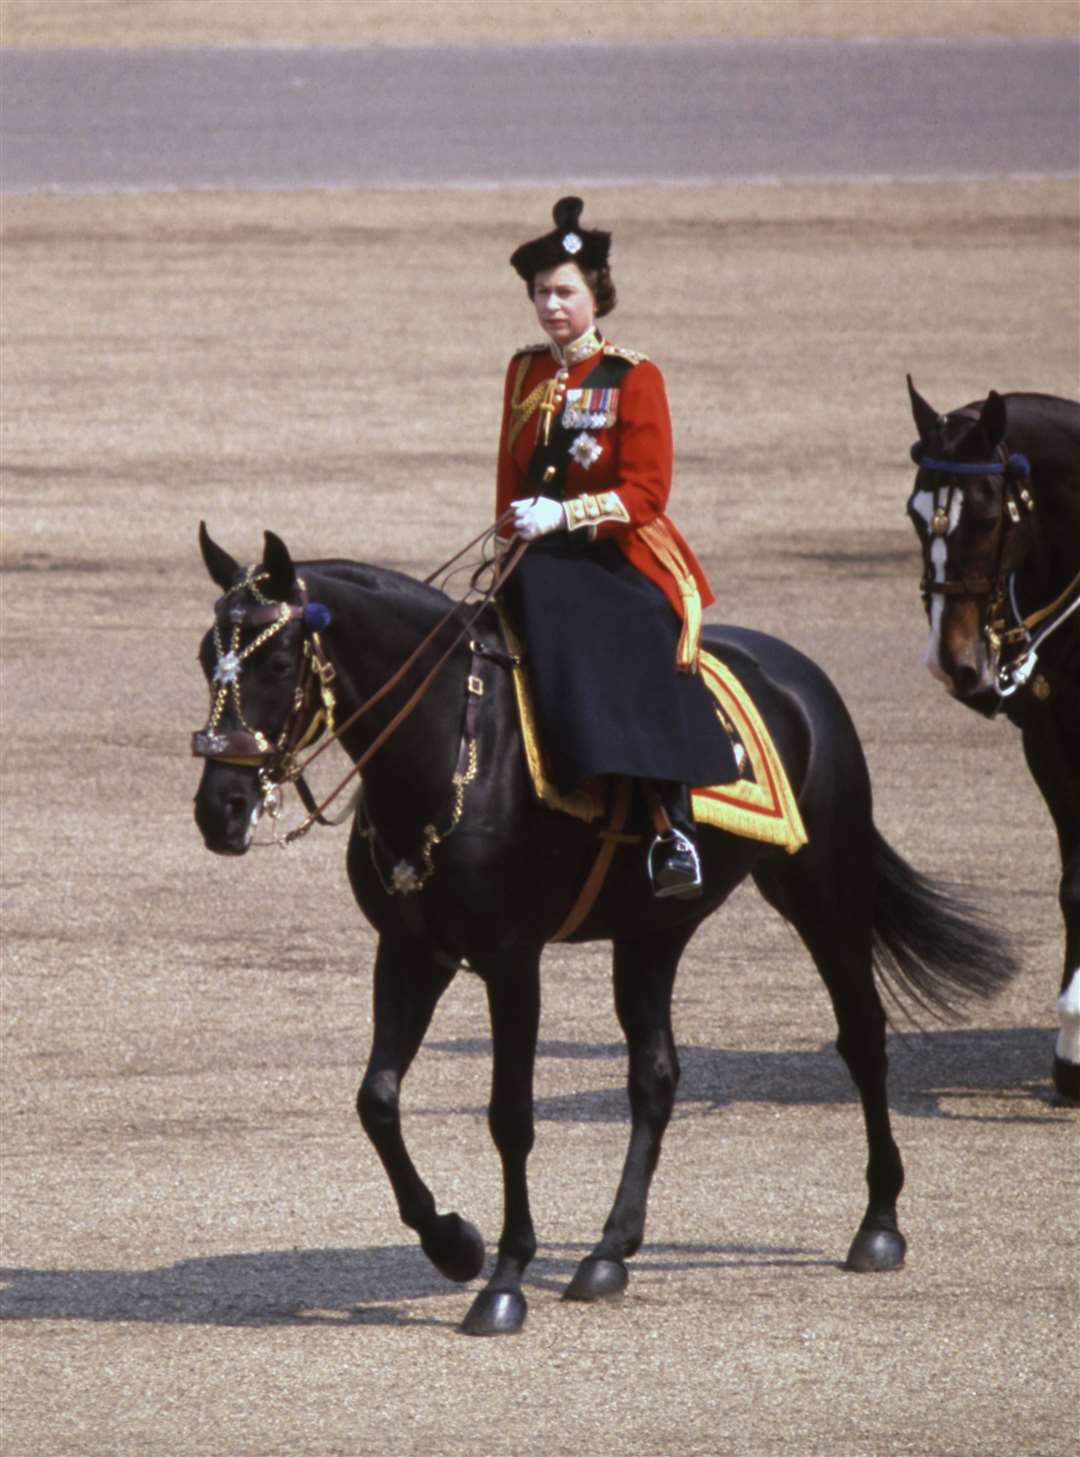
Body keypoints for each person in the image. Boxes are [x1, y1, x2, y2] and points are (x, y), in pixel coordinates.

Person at [495, 196, 736, 898]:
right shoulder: (524, 372)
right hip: (535, 550)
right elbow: (510, 481)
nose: (551, 305)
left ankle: (672, 825)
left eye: (565, 291)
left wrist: (564, 514)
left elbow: (646, 494)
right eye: (541, 293)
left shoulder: (632, 376)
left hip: (621, 551)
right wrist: (511, 537)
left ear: (596, 293)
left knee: (625, 636)